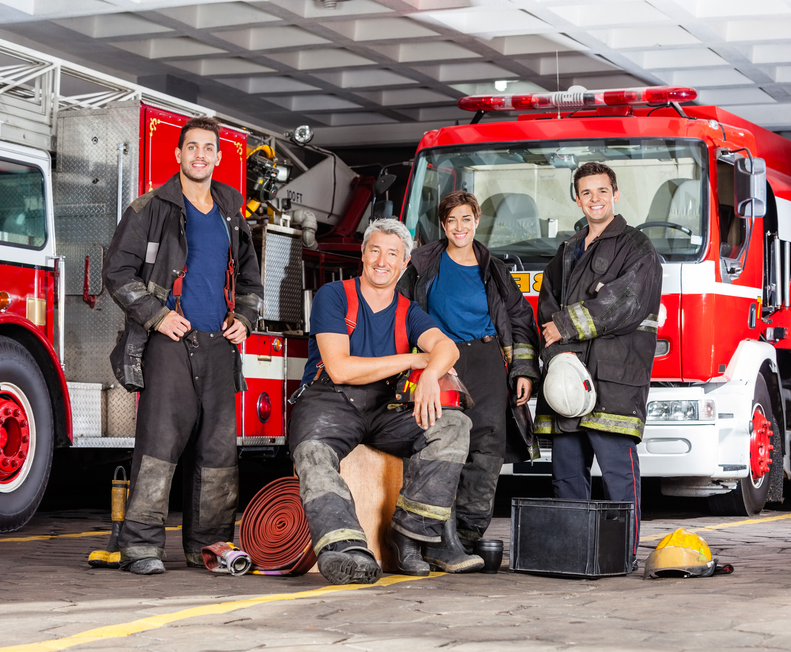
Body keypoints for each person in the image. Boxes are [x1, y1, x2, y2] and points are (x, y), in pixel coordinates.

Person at [103, 116, 263, 575]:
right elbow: (116, 273)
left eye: (207, 148)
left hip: (220, 346)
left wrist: (245, 319)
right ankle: (141, 548)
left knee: (218, 455)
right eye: (191, 147)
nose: (199, 155)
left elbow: (250, 279)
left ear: (218, 156)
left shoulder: (233, 210)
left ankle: (208, 548)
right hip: (170, 342)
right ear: (177, 155)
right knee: (158, 446)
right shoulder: (150, 208)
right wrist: (158, 315)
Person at [289, 218, 483, 585]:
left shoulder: (408, 311)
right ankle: (345, 549)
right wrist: (413, 360)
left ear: (404, 263)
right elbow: (341, 368)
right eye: (375, 250)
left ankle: (411, 532)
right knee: (314, 454)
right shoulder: (334, 296)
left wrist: (428, 375)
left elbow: (447, 348)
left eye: (392, 254)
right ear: (362, 255)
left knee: (454, 425)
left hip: (383, 407)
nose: (382, 260)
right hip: (329, 400)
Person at [398, 190, 539, 555]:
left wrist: (523, 369)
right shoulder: (423, 265)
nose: (459, 227)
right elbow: (399, 314)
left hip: (487, 360)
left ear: (476, 221)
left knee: (487, 449)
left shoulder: (493, 269)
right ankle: (435, 535)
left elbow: (521, 319)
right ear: (443, 226)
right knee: (446, 443)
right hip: (442, 362)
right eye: (451, 220)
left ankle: (470, 534)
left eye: (466, 219)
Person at [536, 161, 662, 558]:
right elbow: (546, 308)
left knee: (618, 478)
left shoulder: (637, 247)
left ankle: (620, 555)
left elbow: (626, 302)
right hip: (568, 383)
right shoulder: (567, 251)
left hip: (614, 382)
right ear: (577, 199)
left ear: (616, 195)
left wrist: (564, 327)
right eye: (586, 193)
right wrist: (558, 354)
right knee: (567, 478)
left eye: (602, 191)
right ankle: (573, 554)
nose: (595, 199)